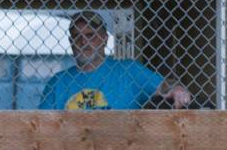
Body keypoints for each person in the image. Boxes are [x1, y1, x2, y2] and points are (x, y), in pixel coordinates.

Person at [37, 10, 192, 110]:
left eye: (90, 35)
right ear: (71, 42)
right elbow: (42, 127)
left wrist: (176, 89)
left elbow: (163, 85)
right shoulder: (57, 83)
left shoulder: (128, 71)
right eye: (77, 36)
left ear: (104, 39)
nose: (83, 42)